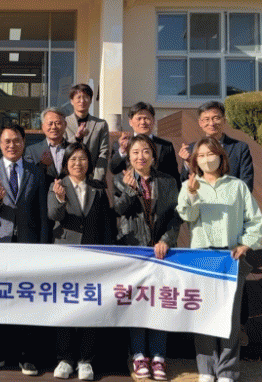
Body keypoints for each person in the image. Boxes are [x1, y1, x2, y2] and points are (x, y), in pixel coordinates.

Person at [177, 137, 262, 382]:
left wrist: (246, 243)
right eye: (201, 155)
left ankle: (227, 370)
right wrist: (192, 193)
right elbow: (187, 216)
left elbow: (254, 219)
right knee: (203, 314)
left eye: (211, 154)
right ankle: (206, 368)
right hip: (202, 256)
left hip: (230, 256)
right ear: (195, 160)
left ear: (221, 156)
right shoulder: (190, 185)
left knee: (230, 317)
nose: (207, 159)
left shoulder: (237, 186)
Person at [0, 124, 49, 376]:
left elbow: (42, 213)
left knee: (26, 300)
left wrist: (43, 246)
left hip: (28, 245)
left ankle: (27, 356)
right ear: (0, 144)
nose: (12, 145)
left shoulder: (35, 171)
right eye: (7, 141)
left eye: (16, 140)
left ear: (24, 142)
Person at [112, 134, 181, 381]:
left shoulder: (168, 181)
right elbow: (119, 210)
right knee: (137, 303)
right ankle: (139, 354)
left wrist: (167, 240)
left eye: (145, 151)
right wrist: (131, 190)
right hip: (134, 250)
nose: (140, 156)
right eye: (135, 152)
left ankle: (159, 356)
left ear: (153, 155)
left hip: (160, 251)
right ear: (129, 157)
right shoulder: (120, 180)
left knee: (160, 302)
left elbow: (175, 216)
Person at [48, 142, 114, 381]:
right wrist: (60, 199)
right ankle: (65, 358)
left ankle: (86, 360)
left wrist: (108, 255)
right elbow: (54, 215)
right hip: (65, 256)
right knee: (65, 307)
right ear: (66, 163)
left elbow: (106, 224)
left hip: (93, 257)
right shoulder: (58, 185)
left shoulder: (98, 188)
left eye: (83, 159)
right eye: (73, 159)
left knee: (89, 307)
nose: (78, 163)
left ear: (89, 162)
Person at [179, 101, 254, 191]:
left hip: (231, 198)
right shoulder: (191, 149)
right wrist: (188, 163)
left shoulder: (240, 148)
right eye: (206, 119)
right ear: (200, 123)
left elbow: (246, 182)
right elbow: (183, 183)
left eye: (216, 118)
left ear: (224, 120)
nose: (211, 123)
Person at [110, 102, 180, 186]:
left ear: (153, 121)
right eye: (139, 118)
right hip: (129, 191)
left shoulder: (166, 146)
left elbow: (173, 176)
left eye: (146, 118)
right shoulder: (120, 145)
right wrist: (123, 151)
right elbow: (114, 169)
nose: (143, 122)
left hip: (159, 191)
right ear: (130, 122)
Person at [64, 84, 109, 184]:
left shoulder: (100, 124)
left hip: (93, 178)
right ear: (71, 101)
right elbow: (62, 148)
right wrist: (76, 138)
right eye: (78, 97)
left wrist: (97, 178)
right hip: (69, 178)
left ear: (91, 100)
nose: (82, 101)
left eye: (86, 97)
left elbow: (104, 152)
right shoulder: (64, 123)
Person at [25, 107, 69, 191]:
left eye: (58, 123)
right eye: (50, 124)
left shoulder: (73, 149)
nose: (54, 127)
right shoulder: (32, 151)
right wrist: (42, 165)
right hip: (43, 196)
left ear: (65, 125)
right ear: (43, 126)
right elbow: (28, 178)